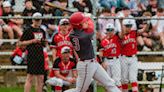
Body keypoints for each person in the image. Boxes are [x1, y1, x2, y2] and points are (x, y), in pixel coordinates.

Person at [65, 12, 121, 92]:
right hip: (86, 65)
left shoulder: (75, 32)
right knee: (80, 90)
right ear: (78, 25)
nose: (84, 22)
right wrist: (89, 17)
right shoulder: (81, 35)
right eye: (82, 21)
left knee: (110, 83)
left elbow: (85, 26)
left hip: (93, 63)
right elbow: (91, 27)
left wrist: (84, 18)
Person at [18, 12, 46, 92]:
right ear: (33, 20)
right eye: (36, 20)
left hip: (40, 55)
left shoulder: (42, 30)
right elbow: (20, 43)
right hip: (31, 55)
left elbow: (43, 44)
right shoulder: (28, 30)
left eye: (39, 20)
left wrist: (44, 42)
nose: (38, 22)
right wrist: (32, 41)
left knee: (41, 78)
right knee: (30, 77)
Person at [99, 23, 122, 90]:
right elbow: (101, 53)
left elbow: (122, 33)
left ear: (114, 30)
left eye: (111, 30)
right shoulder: (103, 40)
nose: (110, 31)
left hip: (115, 60)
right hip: (106, 60)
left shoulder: (117, 37)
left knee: (117, 80)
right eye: (108, 30)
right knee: (107, 80)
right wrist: (102, 62)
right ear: (106, 30)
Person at [120, 19, 138, 92]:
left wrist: (148, 22)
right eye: (127, 26)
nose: (128, 28)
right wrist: (121, 23)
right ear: (124, 26)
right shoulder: (120, 34)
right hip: (123, 58)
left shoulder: (134, 32)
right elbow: (121, 35)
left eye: (130, 26)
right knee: (124, 79)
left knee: (133, 78)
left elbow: (143, 30)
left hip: (133, 58)